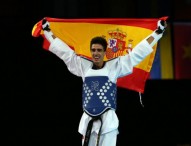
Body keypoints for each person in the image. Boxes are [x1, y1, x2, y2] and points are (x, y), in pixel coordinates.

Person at [40, 18, 167, 146]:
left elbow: (138, 53)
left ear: (105, 52)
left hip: (108, 123)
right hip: (87, 121)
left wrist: (157, 33)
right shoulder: (83, 65)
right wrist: (47, 31)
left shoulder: (115, 66)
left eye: (99, 50)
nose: (96, 53)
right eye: (93, 50)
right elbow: (64, 52)